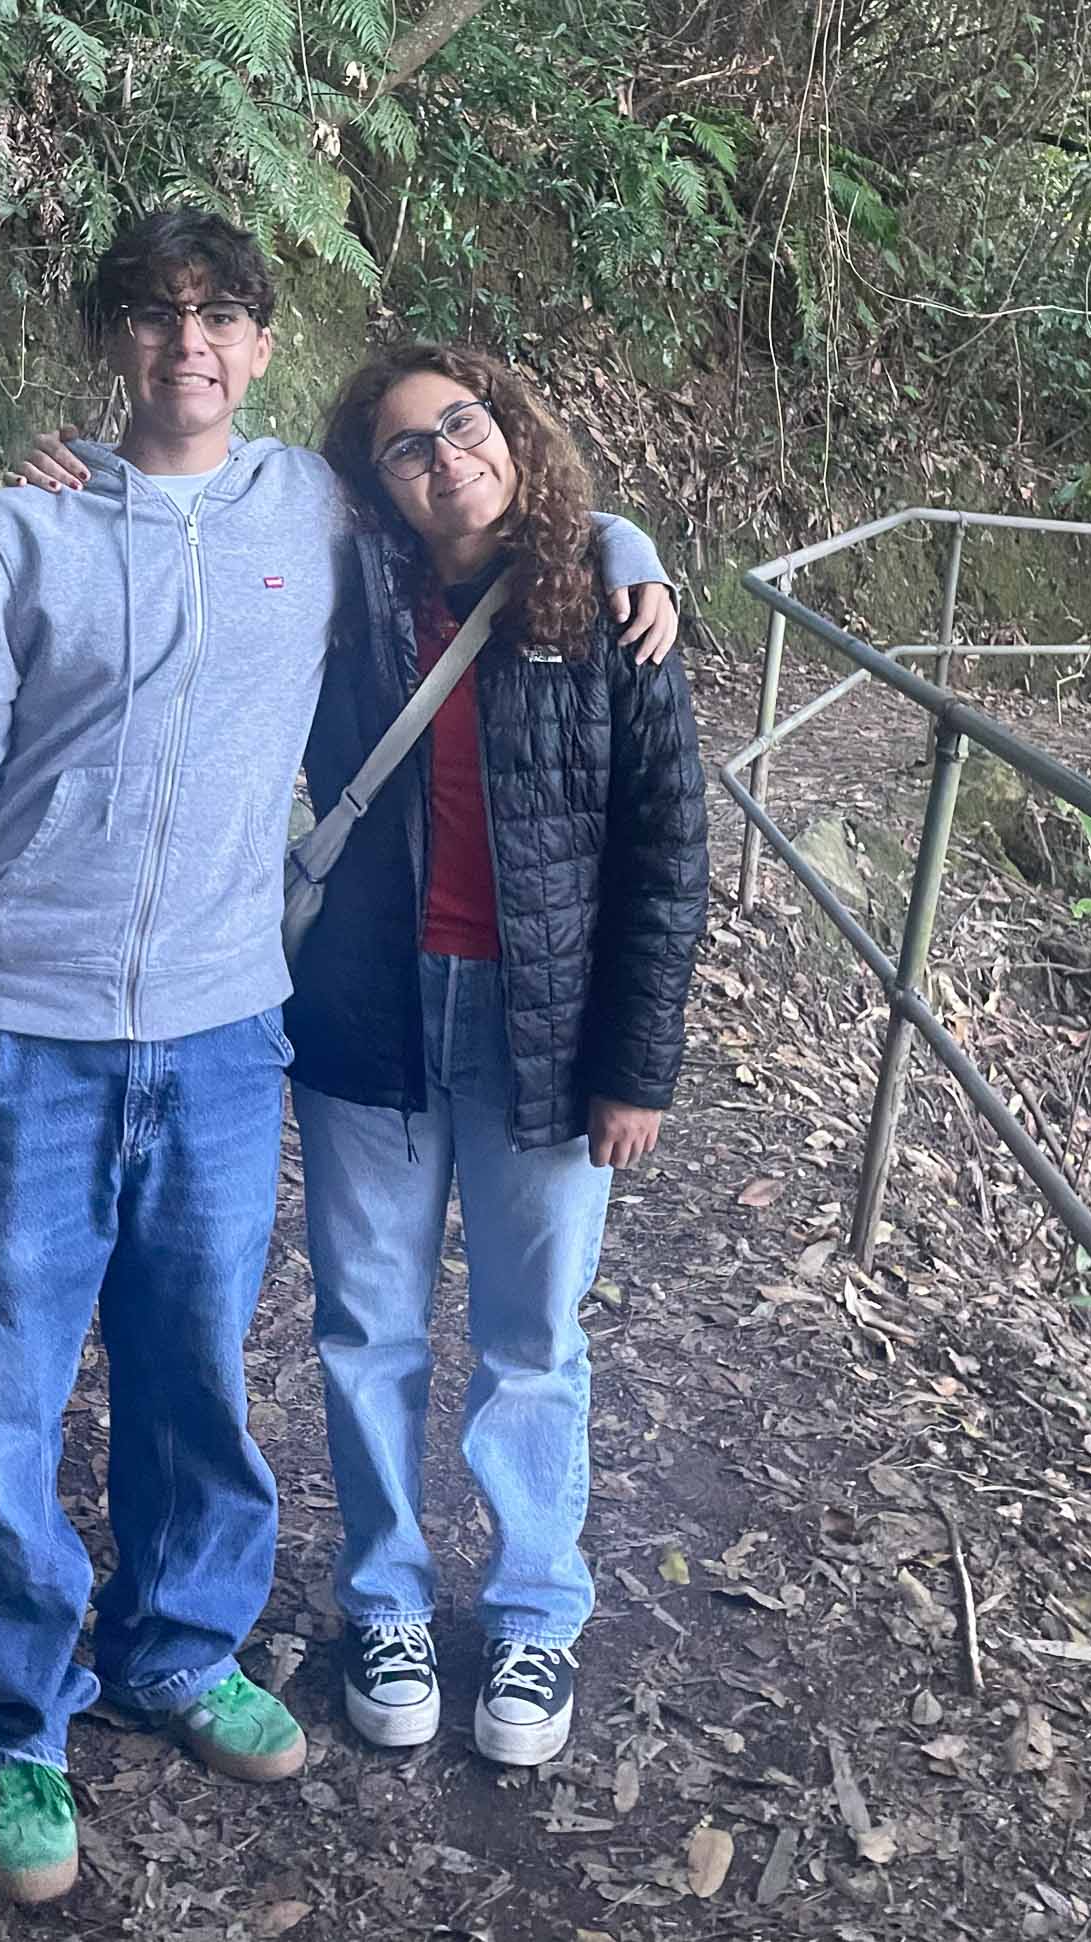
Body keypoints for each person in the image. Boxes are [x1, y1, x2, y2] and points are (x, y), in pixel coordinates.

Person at [0, 209, 675, 1907]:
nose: (190, 345)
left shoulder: (315, 519)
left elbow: (495, 510)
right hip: (26, 1027)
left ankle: (179, 1645)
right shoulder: (24, 528)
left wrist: (622, 541)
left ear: (256, 345)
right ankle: (12, 1724)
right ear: (114, 342)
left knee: (195, 1372)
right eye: (158, 318)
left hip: (234, 1027)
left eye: (223, 315)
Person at [283, 344, 708, 1767]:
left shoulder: (606, 605)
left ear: (512, 431)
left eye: (463, 425)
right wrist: (75, 470)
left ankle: (533, 1611)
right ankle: (387, 1600)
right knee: (367, 1330)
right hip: (372, 1014)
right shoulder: (347, 593)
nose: (446, 456)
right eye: (408, 447)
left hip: (543, 1025)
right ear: (377, 484)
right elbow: (199, 496)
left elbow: (667, 854)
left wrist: (636, 1065)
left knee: (533, 1338)